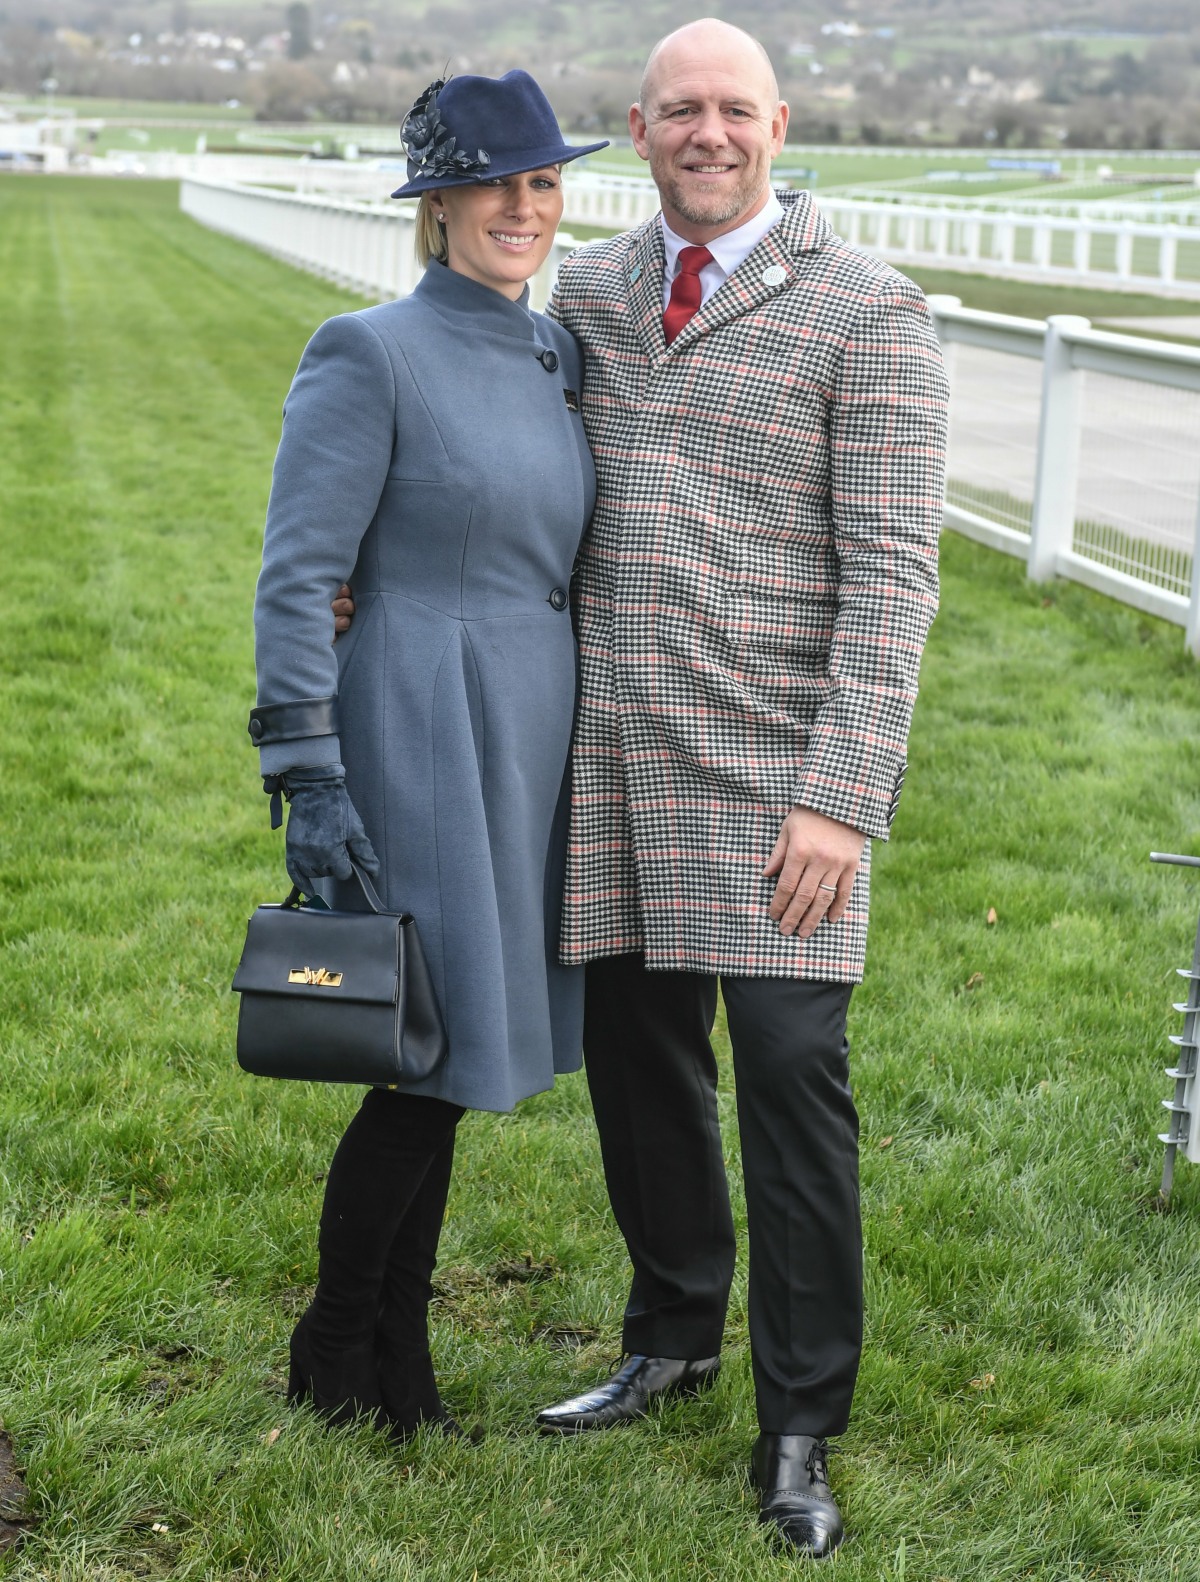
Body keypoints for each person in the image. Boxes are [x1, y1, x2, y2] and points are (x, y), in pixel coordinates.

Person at [530, 19, 948, 1559]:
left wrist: (843, 795)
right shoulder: (587, 293)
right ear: (637, 130)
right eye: (679, 112)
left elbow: (895, 576)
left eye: (734, 110)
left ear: (780, 122)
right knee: (643, 1069)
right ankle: (672, 1329)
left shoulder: (869, 311)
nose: (708, 133)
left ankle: (800, 1419)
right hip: (616, 760)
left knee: (788, 1087)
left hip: (782, 780)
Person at [248, 71, 606, 1440]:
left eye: (541, 181)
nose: (522, 205)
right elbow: (298, 575)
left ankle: (394, 1352)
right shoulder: (369, 349)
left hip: (523, 731)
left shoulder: (553, 353)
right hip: (418, 718)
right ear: (438, 202)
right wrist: (307, 768)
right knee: (421, 1058)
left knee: (441, 1066)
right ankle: (339, 1344)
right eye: (495, 183)